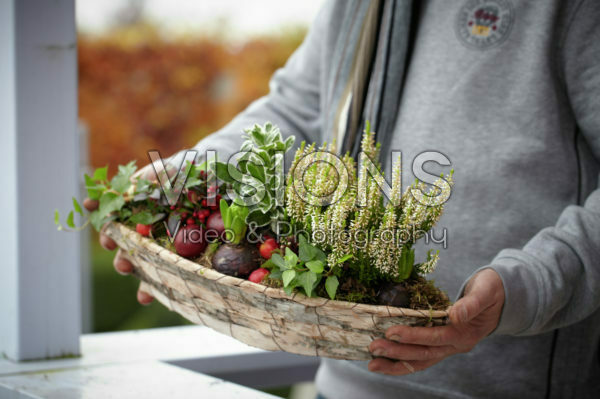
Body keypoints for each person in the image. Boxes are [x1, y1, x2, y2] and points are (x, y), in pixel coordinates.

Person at [86, 0, 600, 397]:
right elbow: (298, 110)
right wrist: (183, 179)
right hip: (347, 379)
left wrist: (528, 286)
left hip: (510, 386)